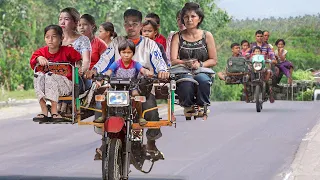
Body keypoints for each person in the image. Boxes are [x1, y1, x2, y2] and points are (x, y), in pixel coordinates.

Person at [85, 9, 169, 158]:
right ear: (124, 25)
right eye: (128, 24)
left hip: (141, 88)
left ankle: (151, 143)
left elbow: (159, 62)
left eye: (134, 24)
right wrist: (94, 70)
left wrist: (162, 71)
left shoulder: (150, 45)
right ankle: (105, 142)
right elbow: (105, 59)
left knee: (151, 109)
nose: (131, 27)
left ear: (141, 25)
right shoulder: (116, 43)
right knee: (101, 104)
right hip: (116, 87)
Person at [170, 2, 218, 117]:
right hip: (183, 71)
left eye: (193, 16)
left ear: (199, 19)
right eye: (186, 17)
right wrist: (184, 63)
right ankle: (188, 106)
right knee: (186, 81)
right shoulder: (177, 36)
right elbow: (173, 60)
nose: (189, 20)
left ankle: (202, 105)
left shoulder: (207, 35)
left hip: (201, 70)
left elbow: (214, 60)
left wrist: (200, 64)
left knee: (203, 80)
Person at [30, 25, 82, 122]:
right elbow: (33, 60)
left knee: (50, 75)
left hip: (65, 85)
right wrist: (39, 58)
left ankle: (54, 111)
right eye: (47, 37)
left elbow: (79, 60)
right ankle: (44, 110)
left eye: (54, 36)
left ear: (61, 38)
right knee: (38, 75)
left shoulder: (68, 51)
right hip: (46, 85)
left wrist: (79, 67)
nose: (50, 40)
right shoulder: (41, 52)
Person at [59, 7, 92, 93]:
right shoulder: (56, 39)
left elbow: (86, 61)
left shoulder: (83, 39)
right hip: (59, 77)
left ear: (75, 22)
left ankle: (64, 105)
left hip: (77, 78)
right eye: (60, 19)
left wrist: (80, 70)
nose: (62, 22)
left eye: (66, 19)